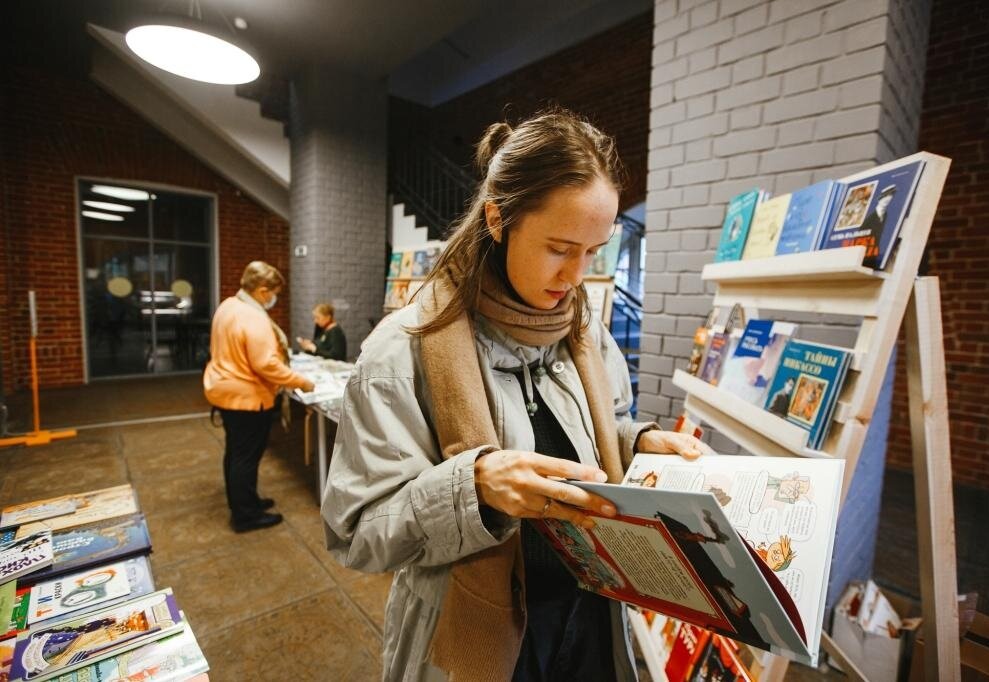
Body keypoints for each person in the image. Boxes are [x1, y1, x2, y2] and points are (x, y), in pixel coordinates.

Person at [321, 110, 710, 682]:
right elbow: (355, 532)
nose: (576, 276)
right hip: (473, 639)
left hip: (595, 615)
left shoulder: (584, 331)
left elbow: (597, 438)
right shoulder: (400, 352)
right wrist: (474, 487)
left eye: (594, 252)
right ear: (498, 219)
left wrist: (642, 441)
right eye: (559, 247)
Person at [204, 261, 314, 533]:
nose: (273, 299)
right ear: (262, 290)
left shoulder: (228, 305)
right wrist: (302, 381)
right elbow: (266, 364)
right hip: (247, 397)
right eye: (273, 292)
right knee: (245, 457)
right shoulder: (253, 317)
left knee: (236, 453)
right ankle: (245, 516)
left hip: (226, 391)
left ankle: (247, 501)